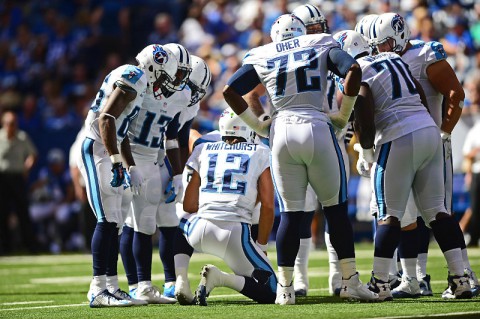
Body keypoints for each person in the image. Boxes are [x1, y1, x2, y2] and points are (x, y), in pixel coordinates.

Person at [223, 14, 378, 304]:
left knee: (292, 216)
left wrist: (257, 125)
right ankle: (350, 282)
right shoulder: (319, 42)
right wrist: (344, 115)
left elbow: (229, 90)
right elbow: (353, 70)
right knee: (335, 210)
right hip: (316, 126)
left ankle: (285, 289)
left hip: (281, 132)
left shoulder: (262, 53)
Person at [344, 24, 472, 301]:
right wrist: (424, 122)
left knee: (388, 213)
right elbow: (419, 93)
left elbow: (363, 112)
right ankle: (460, 278)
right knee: (438, 211)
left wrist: (366, 151)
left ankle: (380, 283)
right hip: (427, 130)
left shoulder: (360, 69)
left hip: (397, 136)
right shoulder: (393, 58)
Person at [77, 44, 178, 308]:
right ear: (154, 67)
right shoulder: (135, 75)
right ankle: (98, 289)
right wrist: (115, 161)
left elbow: (120, 129)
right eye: (164, 75)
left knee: (117, 222)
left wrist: (129, 165)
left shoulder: (140, 82)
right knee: (107, 219)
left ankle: (111, 286)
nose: (164, 82)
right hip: (98, 148)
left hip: (109, 147)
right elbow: (106, 119)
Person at [173, 108, 277, 306]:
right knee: (273, 290)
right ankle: (221, 278)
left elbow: (188, 204)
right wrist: (262, 246)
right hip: (234, 234)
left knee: (183, 218)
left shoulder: (204, 149)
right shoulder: (261, 151)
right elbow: (268, 205)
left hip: (199, 231)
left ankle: (181, 279)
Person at [117, 43, 192, 304]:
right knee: (133, 223)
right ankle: (135, 284)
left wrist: (176, 173)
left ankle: (144, 285)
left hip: (152, 159)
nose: (172, 81)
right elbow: (119, 127)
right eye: (170, 74)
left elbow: (171, 136)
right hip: (134, 157)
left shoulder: (179, 97)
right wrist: (127, 164)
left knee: (146, 224)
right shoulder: (137, 87)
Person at [292, 3, 355, 297]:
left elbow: (352, 87)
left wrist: (345, 123)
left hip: (331, 138)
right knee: (302, 214)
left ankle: (335, 276)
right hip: (317, 136)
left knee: (334, 212)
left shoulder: (331, 53)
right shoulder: (296, 58)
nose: (317, 33)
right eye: (311, 28)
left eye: (319, 27)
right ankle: (300, 277)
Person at [0, 110, 37, 255]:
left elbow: (33, 154)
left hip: (17, 177)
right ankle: (5, 247)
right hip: (2, 179)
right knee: (3, 213)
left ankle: (29, 246)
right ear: (4, 123)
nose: (12, 126)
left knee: (23, 211)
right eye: (9, 123)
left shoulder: (22, 137)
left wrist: (26, 168)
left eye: (14, 123)